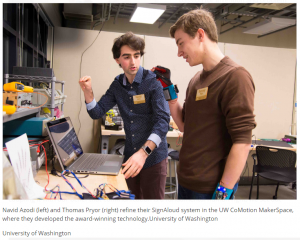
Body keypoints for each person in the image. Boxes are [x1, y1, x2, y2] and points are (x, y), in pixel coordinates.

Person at [155, 9, 256, 199]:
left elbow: (242, 142)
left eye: (181, 43)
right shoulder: (196, 80)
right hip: (186, 180)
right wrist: (168, 90)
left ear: (201, 35)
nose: (179, 53)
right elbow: (185, 125)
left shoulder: (235, 77)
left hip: (210, 188)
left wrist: (223, 191)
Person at [79, 32, 170, 199]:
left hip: (153, 159)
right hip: (130, 159)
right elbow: (96, 112)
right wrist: (88, 92)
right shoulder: (117, 85)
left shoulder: (153, 83)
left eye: (137, 56)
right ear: (118, 60)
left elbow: (163, 122)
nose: (133, 61)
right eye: (127, 57)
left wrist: (143, 153)